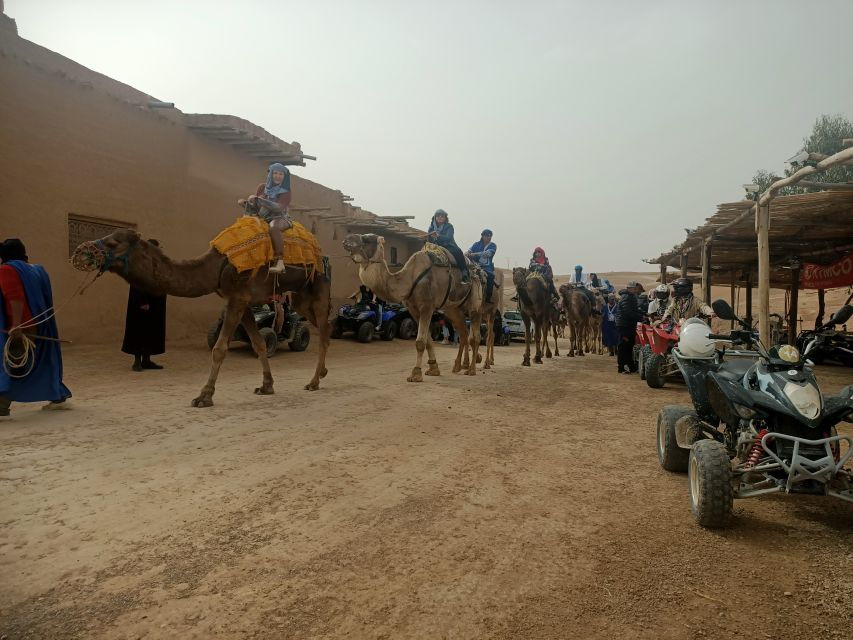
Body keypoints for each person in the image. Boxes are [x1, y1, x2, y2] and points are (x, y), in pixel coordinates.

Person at [0, 239, 71, 419]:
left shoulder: (7, 270)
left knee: (14, 363)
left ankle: (2, 404)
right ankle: (58, 397)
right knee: (44, 360)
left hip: (21, 326)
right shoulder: (38, 270)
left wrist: (16, 324)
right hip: (40, 324)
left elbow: (14, 297)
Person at [122, 239, 166, 372]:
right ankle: (137, 361)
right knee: (139, 331)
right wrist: (143, 301)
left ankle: (147, 360)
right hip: (142, 302)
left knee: (152, 331)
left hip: (156, 302)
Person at [241, 162, 293, 274]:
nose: (278, 176)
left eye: (281, 174)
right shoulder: (262, 187)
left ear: (284, 176)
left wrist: (261, 200)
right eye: (275, 173)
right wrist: (248, 203)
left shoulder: (286, 192)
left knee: (274, 228)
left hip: (279, 218)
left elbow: (279, 208)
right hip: (262, 218)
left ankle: (280, 262)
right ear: (271, 174)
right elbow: (256, 207)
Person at [427, 209, 469, 284]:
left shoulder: (449, 226)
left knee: (458, 251)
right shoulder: (431, 228)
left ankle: (464, 272)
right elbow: (429, 239)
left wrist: (438, 236)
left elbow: (448, 238)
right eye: (438, 215)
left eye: (442, 216)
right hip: (435, 247)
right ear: (435, 217)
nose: (440, 217)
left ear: (445, 218)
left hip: (448, 245)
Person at [615, 281, 644, 374]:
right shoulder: (626, 298)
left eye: (636, 289)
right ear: (629, 289)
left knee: (629, 346)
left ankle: (631, 367)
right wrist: (641, 317)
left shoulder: (630, 297)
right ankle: (621, 367)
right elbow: (628, 313)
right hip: (624, 325)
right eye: (634, 289)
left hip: (628, 325)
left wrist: (644, 314)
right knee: (623, 346)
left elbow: (633, 310)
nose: (636, 291)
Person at [466, 229, 497, 303]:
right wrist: (466, 254)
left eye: (490, 236)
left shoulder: (493, 245)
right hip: (473, 265)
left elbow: (487, 254)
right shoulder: (476, 244)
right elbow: (469, 251)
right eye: (487, 236)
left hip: (486, 267)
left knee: (491, 276)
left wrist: (474, 254)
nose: (488, 237)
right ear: (482, 236)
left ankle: (488, 298)